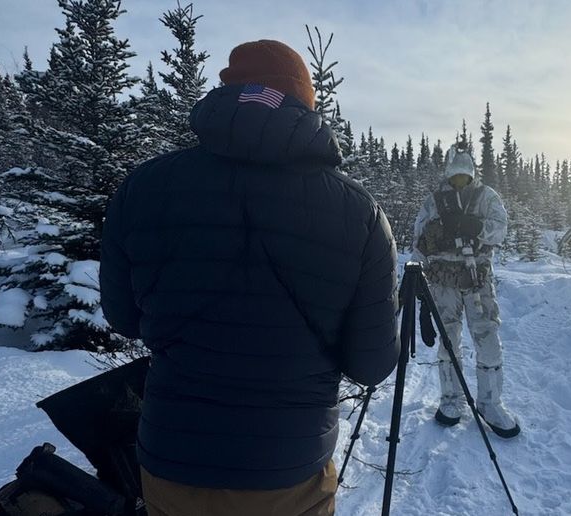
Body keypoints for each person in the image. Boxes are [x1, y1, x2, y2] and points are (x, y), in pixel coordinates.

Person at [99, 40, 400, 516]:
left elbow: (123, 318)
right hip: (290, 468)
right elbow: (372, 363)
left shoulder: (143, 186)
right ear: (305, 103)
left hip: (173, 458)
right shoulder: (359, 212)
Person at [412, 144, 520, 438]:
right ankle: (451, 400)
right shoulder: (434, 202)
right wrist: (416, 281)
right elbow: (419, 239)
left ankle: (490, 403)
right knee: (448, 342)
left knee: (488, 340)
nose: (460, 180)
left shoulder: (486, 197)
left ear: (472, 174)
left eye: (464, 175)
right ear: (448, 175)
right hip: (443, 282)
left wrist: (476, 227)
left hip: (477, 281)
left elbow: (500, 229)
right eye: (455, 175)